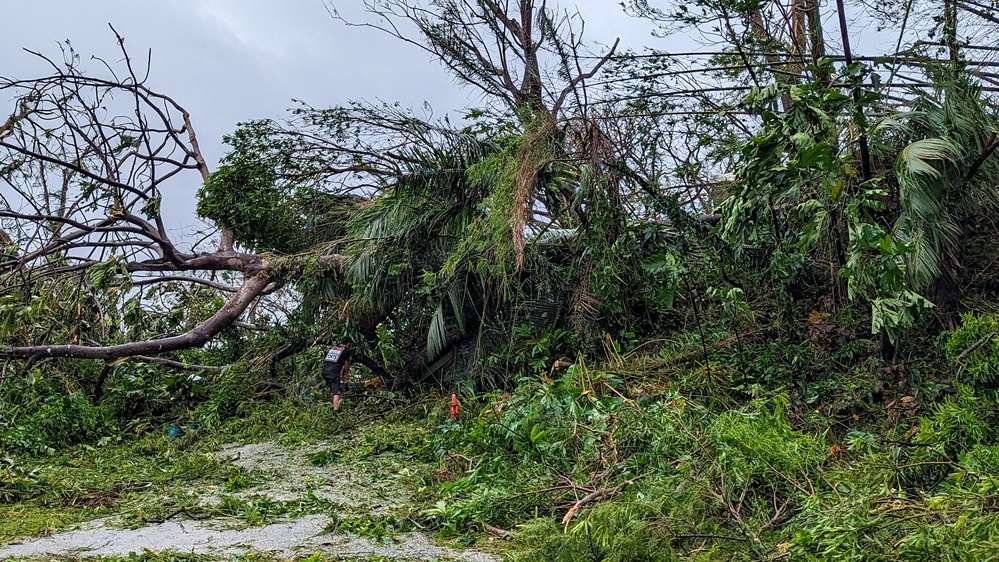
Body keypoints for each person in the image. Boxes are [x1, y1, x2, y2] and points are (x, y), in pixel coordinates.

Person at [322, 338, 353, 413]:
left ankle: (333, 405)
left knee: (333, 390)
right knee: (336, 392)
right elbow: (346, 364)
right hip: (333, 372)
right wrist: (346, 373)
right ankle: (336, 411)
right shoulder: (345, 351)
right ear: (348, 343)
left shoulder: (332, 348)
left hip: (324, 371)